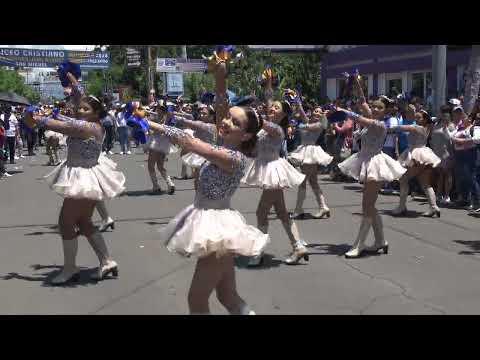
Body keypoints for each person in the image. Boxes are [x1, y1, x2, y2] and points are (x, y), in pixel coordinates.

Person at [150, 61, 268, 315]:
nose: (226, 122)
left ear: (246, 135)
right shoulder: (224, 145)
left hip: (215, 227)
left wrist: (152, 125)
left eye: (235, 123)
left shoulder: (232, 157)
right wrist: (220, 76)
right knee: (228, 296)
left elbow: (190, 143)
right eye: (226, 118)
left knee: (197, 299)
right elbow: (222, 103)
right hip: (212, 221)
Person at [27, 73, 125, 285]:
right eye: (79, 108)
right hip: (84, 174)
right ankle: (106, 261)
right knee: (84, 222)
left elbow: (63, 126)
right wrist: (73, 82)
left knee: (65, 222)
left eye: (85, 109)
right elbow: (75, 108)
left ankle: (70, 268)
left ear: (96, 113)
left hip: (84, 177)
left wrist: (38, 119)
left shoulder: (90, 127)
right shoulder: (86, 122)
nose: (80, 110)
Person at [242, 73, 307, 266]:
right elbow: (269, 103)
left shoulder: (277, 129)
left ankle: (258, 252)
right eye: (272, 108)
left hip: (273, 170)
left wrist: (247, 113)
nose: (272, 109)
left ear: (283, 115)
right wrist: (268, 85)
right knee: (281, 212)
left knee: (261, 212)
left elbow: (263, 122)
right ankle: (298, 247)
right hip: (265, 167)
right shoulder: (268, 125)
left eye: (276, 108)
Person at [337, 85, 407, 258]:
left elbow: (360, 118)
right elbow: (362, 102)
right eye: (374, 106)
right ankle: (380, 241)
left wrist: (344, 111)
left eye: (379, 107)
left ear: (386, 111)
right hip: (365, 159)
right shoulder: (371, 117)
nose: (375, 109)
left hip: (376, 163)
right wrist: (357, 83)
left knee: (366, 206)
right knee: (370, 206)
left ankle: (359, 244)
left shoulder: (380, 124)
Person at [389, 110, 442, 217]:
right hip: (423, 154)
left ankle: (402, 207)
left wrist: (388, 128)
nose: (416, 119)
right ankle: (433, 206)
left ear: (425, 119)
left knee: (403, 179)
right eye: (416, 117)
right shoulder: (425, 128)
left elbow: (404, 128)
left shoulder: (419, 128)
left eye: (419, 118)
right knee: (425, 183)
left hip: (417, 155)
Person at [289, 104, 333, 219]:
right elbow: (303, 116)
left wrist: (299, 124)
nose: (317, 113)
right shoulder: (308, 121)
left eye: (320, 112)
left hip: (310, 153)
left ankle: (298, 210)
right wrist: (298, 104)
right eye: (316, 111)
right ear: (312, 112)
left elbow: (306, 126)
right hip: (304, 150)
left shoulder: (320, 124)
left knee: (303, 181)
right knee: (313, 182)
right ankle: (323, 207)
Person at [181, 103, 217, 190]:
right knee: (198, 180)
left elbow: (191, 123)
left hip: (208, 155)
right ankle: (199, 200)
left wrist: (177, 118)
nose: (201, 115)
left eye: (204, 114)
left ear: (211, 116)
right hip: (202, 154)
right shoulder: (205, 124)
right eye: (201, 113)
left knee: (203, 180)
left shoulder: (209, 126)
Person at [451, 105, 480, 211]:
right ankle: (465, 199)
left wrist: (462, 141)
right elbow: (451, 136)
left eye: (464, 117)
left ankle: (477, 202)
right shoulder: (459, 128)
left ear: (470, 119)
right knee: (462, 178)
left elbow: (477, 139)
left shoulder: (474, 128)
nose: (462, 119)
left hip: (471, 155)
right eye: (461, 117)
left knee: (472, 178)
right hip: (460, 155)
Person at [146, 101, 177, 194]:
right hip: (165, 144)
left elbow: (151, 131)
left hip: (156, 143)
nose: (156, 109)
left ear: (160, 109)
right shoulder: (168, 118)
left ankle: (156, 186)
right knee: (160, 166)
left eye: (158, 108)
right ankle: (170, 183)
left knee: (150, 165)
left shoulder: (156, 119)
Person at [430, 105, 455, 205]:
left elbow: (452, 139)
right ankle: (439, 194)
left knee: (447, 173)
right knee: (439, 174)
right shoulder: (436, 124)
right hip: (437, 153)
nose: (444, 116)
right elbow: (432, 137)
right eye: (442, 113)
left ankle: (447, 195)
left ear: (449, 115)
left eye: (446, 114)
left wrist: (446, 129)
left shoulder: (451, 126)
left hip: (447, 153)